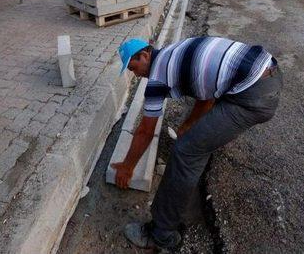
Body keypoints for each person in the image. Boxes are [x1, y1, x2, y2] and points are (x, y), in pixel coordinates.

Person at [111, 37, 283, 250]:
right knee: (195, 137)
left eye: (133, 67)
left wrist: (127, 167)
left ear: (145, 55)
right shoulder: (174, 52)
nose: (135, 74)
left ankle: (161, 234)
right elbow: (207, 92)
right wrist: (189, 124)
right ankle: (198, 164)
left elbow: (146, 131)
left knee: (185, 151)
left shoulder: (156, 78)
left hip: (253, 95)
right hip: (268, 71)